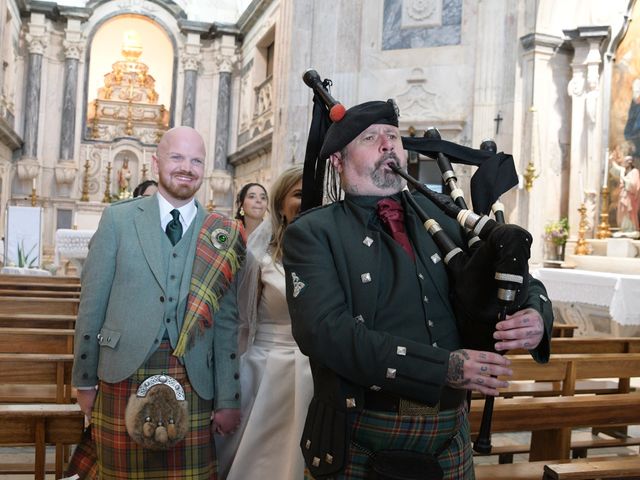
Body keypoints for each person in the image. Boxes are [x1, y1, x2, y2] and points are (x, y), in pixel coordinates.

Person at [282, 101, 554, 479]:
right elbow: (325, 332)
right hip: (363, 427)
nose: (387, 144)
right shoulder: (312, 233)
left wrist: (536, 315)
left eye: (392, 136)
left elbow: (516, 276)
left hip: (449, 430)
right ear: (338, 162)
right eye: (370, 138)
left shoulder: (446, 218)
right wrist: (444, 368)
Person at [70, 126, 244, 479]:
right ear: (156, 161)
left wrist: (228, 398)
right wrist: (84, 379)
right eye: (177, 157)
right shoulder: (118, 219)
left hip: (194, 377)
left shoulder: (221, 232)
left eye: (196, 160)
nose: (187, 167)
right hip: (123, 371)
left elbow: (226, 325)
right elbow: (92, 305)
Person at [217, 164, 313, 479]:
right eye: (299, 194)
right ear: (280, 206)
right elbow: (242, 323)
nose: (307, 200)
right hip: (267, 370)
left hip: (316, 372)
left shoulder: (329, 254)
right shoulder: (260, 260)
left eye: (312, 193)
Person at [616, 155, 640, 232]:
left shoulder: (635, 171)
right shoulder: (627, 173)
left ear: (629, 163)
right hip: (624, 195)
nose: (624, 164)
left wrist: (624, 178)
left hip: (630, 197)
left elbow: (634, 184)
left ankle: (631, 229)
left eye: (625, 162)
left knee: (629, 212)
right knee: (623, 210)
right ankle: (624, 228)